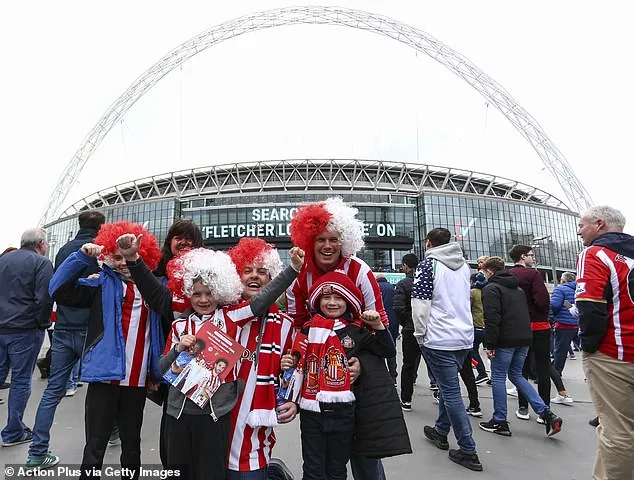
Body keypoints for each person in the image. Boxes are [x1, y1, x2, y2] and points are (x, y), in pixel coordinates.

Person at [117, 234, 304, 480]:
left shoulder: (232, 317)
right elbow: (162, 367)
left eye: (209, 293)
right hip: (178, 415)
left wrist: (293, 270)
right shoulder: (180, 326)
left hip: (216, 418)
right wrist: (177, 350)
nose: (203, 299)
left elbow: (264, 300)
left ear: (219, 292)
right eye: (196, 294)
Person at [48, 221, 164, 479]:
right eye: (118, 257)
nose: (124, 263)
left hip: (137, 380)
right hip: (105, 377)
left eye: (130, 256)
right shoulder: (101, 283)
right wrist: (80, 257)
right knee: (95, 447)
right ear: (109, 256)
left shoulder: (154, 288)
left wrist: (155, 373)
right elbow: (57, 289)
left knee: (132, 448)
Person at [286, 197, 389, 480]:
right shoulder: (300, 275)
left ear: (345, 241)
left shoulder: (359, 270)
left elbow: (379, 322)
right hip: (317, 382)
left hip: (359, 373)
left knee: (365, 453)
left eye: (334, 239)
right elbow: (296, 326)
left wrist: (361, 364)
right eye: (320, 239)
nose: (328, 245)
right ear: (309, 240)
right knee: (319, 460)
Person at [291, 271, 408, 480]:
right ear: (318, 301)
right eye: (326, 297)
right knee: (312, 469)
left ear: (349, 302)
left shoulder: (357, 331)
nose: (332, 303)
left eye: (339, 298)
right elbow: (297, 362)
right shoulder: (308, 330)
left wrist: (379, 326)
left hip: (344, 414)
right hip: (312, 413)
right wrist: (288, 361)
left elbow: (387, 351)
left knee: (337, 469)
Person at [26, 210, 105, 468]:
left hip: (63, 327)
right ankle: (108, 436)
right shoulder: (98, 250)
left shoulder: (63, 252)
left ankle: (37, 453)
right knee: (103, 389)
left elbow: (58, 285)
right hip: (90, 329)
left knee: (53, 391)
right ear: (101, 226)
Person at [226, 237, 297, 480]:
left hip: (255, 444)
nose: (254, 276)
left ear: (272, 279)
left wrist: (293, 401)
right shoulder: (221, 318)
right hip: (214, 438)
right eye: (247, 271)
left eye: (262, 272)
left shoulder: (287, 326)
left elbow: (294, 373)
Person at [412, 228, 482, 472]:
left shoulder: (428, 265)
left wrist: (420, 334)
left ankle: (468, 449)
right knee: (448, 386)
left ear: (429, 243)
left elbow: (421, 304)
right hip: (463, 337)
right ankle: (441, 430)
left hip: (439, 337)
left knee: (451, 392)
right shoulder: (464, 267)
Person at [575, 205, 634, 479]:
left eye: (581, 225)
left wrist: (589, 346)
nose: (578, 232)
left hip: (615, 353)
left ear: (599, 224)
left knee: (618, 430)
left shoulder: (595, 253)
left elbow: (589, 305)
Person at [477, 257, 563, 438]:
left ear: (490, 271)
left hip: (505, 339)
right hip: (523, 337)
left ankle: (500, 420)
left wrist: (490, 344)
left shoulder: (491, 289)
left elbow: (492, 318)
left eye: (484, 272)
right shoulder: (517, 289)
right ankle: (546, 413)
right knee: (517, 375)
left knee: (499, 377)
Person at [150, 219, 204, 466]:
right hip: (170, 358)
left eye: (189, 238)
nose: (183, 242)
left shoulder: (206, 277)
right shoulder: (158, 278)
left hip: (204, 361)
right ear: (169, 242)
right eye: (178, 237)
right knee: (171, 419)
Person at [0, 229, 53, 447]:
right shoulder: (41, 263)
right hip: (25, 328)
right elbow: (44, 297)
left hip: (2, 326)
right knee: (21, 380)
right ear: (41, 243)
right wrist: (42, 323)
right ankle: (13, 432)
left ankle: (14, 431)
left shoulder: (4, 260)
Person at [508, 244, 551, 422]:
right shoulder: (533, 274)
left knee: (521, 369)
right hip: (539, 325)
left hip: (518, 327)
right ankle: (544, 409)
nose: (533, 258)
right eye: (531, 255)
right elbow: (542, 299)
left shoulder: (508, 275)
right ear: (523, 256)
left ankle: (523, 407)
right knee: (543, 368)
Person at [393, 253, 423, 412]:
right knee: (434, 364)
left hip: (411, 329)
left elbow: (398, 308)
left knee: (408, 364)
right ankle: (439, 392)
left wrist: (406, 322)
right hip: (428, 327)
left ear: (405, 266)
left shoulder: (403, 283)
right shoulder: (426, 280)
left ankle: (406, 399)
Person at [550, 272, 578, 376]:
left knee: (559, 350)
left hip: (563, 323)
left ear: (563, 280)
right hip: (575, 322)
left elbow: (554, 305)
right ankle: (554, 370)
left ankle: (556, 372)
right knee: (563, 348)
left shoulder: (560, 289)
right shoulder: (577, 289)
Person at [375, 273, 398, 385]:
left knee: (380, 348)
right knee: (391, 348)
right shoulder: (392, 288)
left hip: (379, 321)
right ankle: (393, 375)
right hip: (393, 321)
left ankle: (383, 376)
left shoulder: (375, 288)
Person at [470, 272, 489, 384]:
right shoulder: (488, 291)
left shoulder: (472, 292)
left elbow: (467, 309)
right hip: (487, 326)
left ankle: (482, 373)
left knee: (472, 350)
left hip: (476, 325)